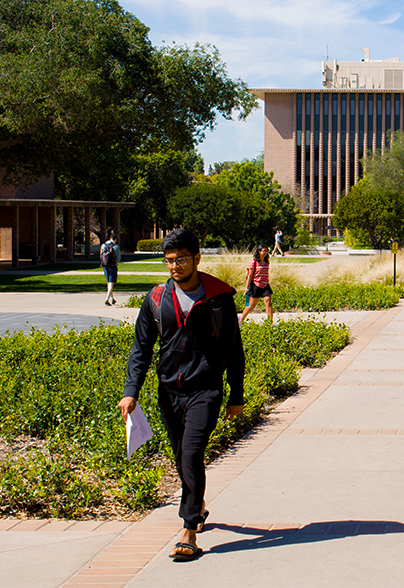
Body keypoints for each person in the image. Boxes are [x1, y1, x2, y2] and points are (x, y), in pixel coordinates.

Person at [118, 228, 244, 562]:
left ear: (197, 259)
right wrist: (131, 392)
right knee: (181, 457)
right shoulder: (157, 299)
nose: (175, 266)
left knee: (190, 454)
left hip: (206, 389)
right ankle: (197, 503)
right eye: (170, 261)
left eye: (182, 259)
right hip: (169, 392)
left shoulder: (218, 297)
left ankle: (189, 528)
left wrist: (236, 394)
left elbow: (234, 349)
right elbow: (141, 349)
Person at [240, 244, 274, 324]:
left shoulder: (266, 262)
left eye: (266, 251)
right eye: (263, 250)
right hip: (256, 285)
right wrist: (247, 288)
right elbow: (249, 276)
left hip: (265, 285)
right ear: (259, 251)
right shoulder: (254, 262)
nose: (265, 252)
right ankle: (241, 319)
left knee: (268, 302)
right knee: (251, 306)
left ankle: (270, 323)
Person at [100, 228, 121, 306]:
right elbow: (118, 258)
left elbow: (101, 255)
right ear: (115, 239)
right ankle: (107, 299)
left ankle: (112, 298)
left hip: (105, 265)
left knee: (108, 282)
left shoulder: (103, 245)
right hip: (113, 265)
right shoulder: (115, 246)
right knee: (111, 282)